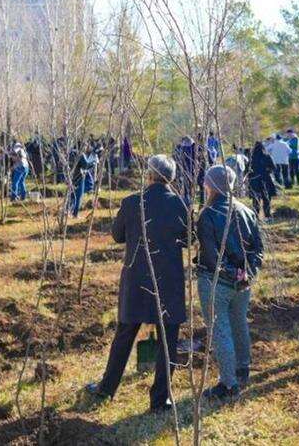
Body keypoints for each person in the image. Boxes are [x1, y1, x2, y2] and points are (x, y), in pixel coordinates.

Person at [86, 155, 188, 413]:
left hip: (137, 278)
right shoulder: (180, 205)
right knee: (168, 339)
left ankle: (106, 389)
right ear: (172, 177)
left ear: (149, 174)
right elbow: (189, 238)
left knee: (124, 335)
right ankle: (161, 399)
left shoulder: (132, 202)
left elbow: (118, 235)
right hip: (169, 280)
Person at [195, 165, 265, 398]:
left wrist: (229, 272)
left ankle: (228, 384)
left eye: (206, 183)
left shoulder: (208, 214)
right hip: (242, 283)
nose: (204, 186)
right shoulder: (246, 211)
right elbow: (258, 249)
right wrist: (247, 272)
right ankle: (243, 369)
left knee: (220, 329)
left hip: (216, 282)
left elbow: (211, 254)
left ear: (211, 186)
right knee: (239, 324)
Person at [247, 141, 276, 219]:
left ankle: (255, 216)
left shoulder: (251, 158)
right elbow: (273, 167)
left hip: (254, 181)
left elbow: (247, 171)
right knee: (266, 198)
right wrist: (267, 170)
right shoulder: (267, 156)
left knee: (255, 200)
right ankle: (267, 215)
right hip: (265, 180)